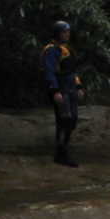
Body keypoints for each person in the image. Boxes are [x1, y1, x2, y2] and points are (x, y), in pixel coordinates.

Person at [42, 20, 82, 166]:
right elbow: (49, 72)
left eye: (68, 32)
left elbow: (73, 70)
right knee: (64, 119)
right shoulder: (51, 50)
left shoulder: (67, 49)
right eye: (64, 32)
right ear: (58, 33)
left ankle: (63, 149)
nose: (67, 34)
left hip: (70, 88)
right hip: (61, 89)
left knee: (73, 120)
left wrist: (78, 86)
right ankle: (61, 153)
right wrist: (55, 90)